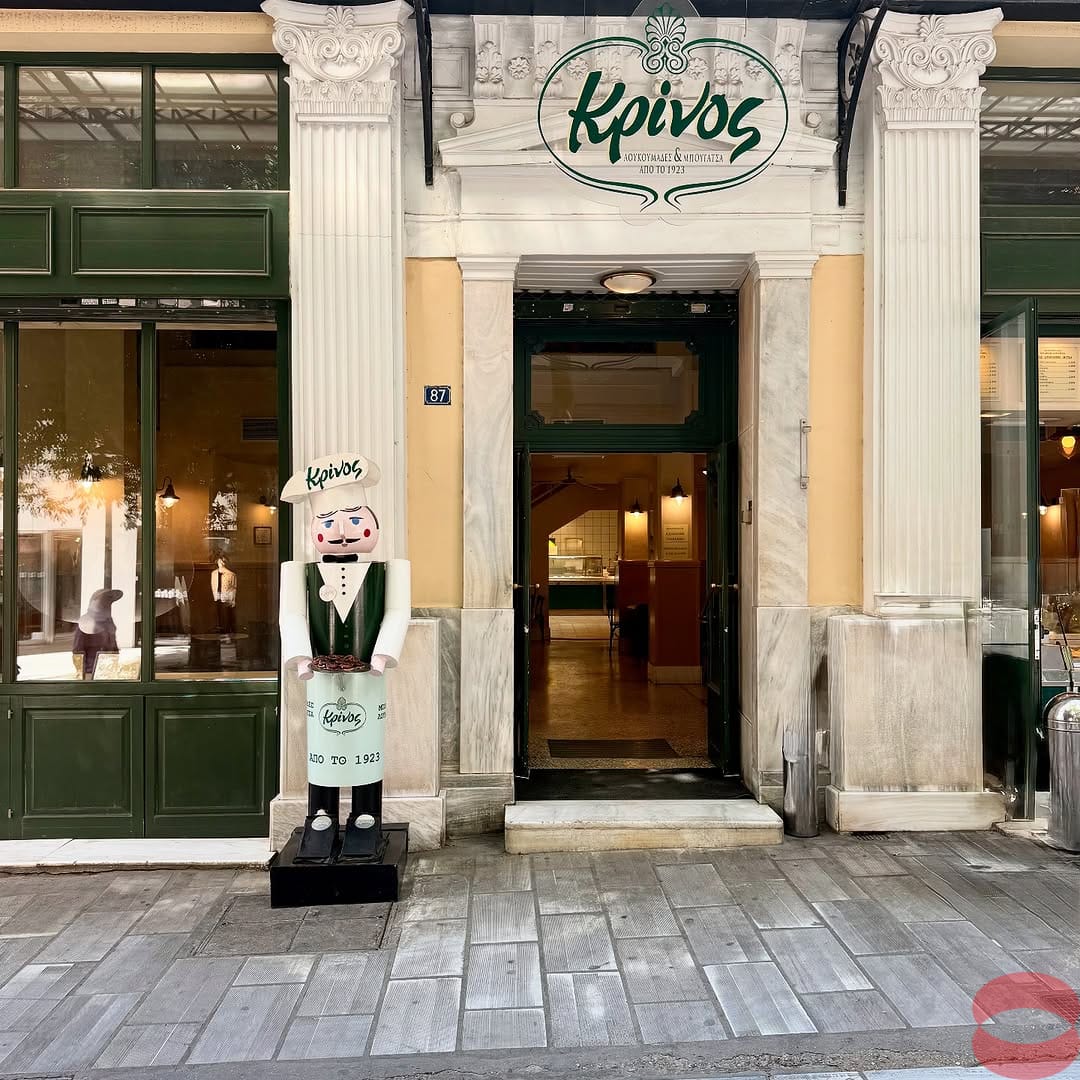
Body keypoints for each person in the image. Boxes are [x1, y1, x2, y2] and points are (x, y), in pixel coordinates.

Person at [279, 452, 410, 861]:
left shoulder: (392, 569)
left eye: (354, 520)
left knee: (367, 744)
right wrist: (302, 659)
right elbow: (291, 614)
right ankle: (321, 815)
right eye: (328, 522)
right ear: (313, 529)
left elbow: (397, 612)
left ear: (373, 523)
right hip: (319, 679)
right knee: (323, 746)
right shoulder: (297, 571)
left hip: (369, 677)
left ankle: (366, 815)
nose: (341, 532)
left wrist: (382, 655)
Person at [72, 588, 123, 680]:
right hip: (91, 671)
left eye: (108, 601)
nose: (106, 604)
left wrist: (115, 659)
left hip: (108, 669)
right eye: (103, 601)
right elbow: (78, 651)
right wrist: (82, 673)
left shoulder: (108, 621)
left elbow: (112, 643)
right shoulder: (86, 621)